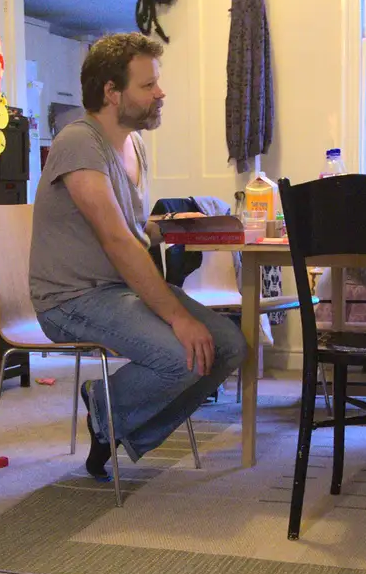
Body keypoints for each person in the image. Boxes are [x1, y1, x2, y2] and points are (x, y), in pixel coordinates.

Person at [29, 33, 245, 479]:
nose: (160, 93)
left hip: (116, 291)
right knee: (182, 353)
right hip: (70, 299)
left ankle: (110, 420)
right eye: (148, 86)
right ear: (111, 92)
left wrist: (171, 225)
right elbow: (115, 241)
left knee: (227, 345)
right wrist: (178, 317)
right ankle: (107, 408)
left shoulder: (134, 144)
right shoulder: (79, 142)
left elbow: (130, 228)